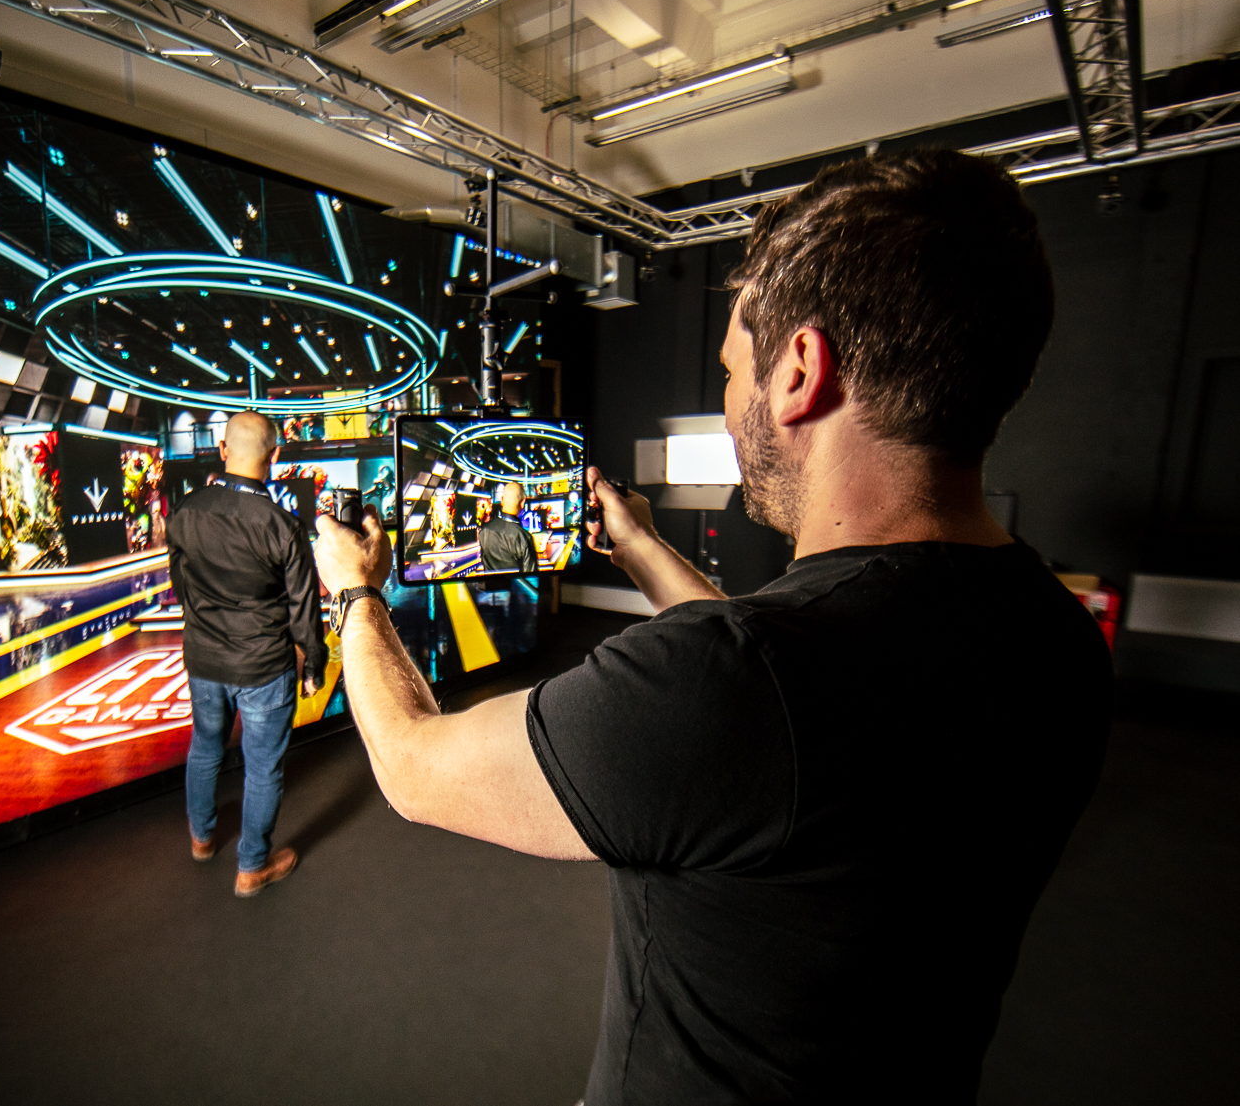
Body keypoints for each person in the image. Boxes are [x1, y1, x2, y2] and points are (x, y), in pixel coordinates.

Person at [312, 150, 1111, 1102]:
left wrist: (356, 592)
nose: (735, 404)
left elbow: (410, 765)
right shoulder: (1055, 633)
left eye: (735, 368)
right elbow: (784, 680)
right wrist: (644, 545)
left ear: (801, 372)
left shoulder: (735, 684)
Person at [167, 410, 326, 898]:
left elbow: (181, 587)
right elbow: (304, 612)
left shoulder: (185, 512)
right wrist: (314, 664)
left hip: (204, 660)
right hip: (263, 667)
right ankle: (253, 865)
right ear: (276, 457)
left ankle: (201, 838)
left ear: (222, 450)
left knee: (206, 746)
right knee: (262, 767)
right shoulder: (283, 526)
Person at [477, 481, 539, 574]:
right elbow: (531, 578)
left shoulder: (485, 530)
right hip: (514, 588)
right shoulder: (524, 537)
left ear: (502, 500)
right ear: (522, 503)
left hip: (491, 587)